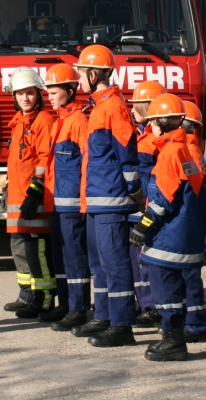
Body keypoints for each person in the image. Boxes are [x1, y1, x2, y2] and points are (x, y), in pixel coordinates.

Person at [128, 94, 206, 361]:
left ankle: (173, 341)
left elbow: (162, 199)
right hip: (183, 233)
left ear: (160, 123)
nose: (149, 126)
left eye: (151, 122)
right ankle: (175, 337)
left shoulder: (170, 152)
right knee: (177, 288)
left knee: (165, 288)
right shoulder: (186, 149)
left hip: (168, 237)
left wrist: (142, 227)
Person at [73, 45, 142, 347]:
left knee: (115, 264)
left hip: (111, 201)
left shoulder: (113, 107)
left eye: (80, 74)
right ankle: (103, 315)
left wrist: (135, 192)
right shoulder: (98, 107)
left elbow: (127, 156)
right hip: (96, 200)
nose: (78, 80)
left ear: (93, 74)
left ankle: (122, 325)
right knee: (99, 264)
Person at [42, 64, 92, 331]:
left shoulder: (78, 122)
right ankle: (65, 303)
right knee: (60, 256)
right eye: (48, 91)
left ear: (71, 91)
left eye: (54, 91)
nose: (49, 96)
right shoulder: (60, 121)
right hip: (59, 203)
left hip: (72, 205)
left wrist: (84, 203)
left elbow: (87, 165)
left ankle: (79, 308)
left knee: (74, 257)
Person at [4, 67, 57, 319]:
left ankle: (44, 298)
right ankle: (27, 294)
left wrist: (35, 192)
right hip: (17, 198)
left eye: (30, 93)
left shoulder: (43, 121)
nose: (25, 98)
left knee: (37, 250)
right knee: (21, 248)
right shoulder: (19, 122)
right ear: (14, 96)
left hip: (33, 198)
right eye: (20, 93)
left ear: (38, 95)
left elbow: (45, 160)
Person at [126, 81, 167, 328]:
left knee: (145, 263)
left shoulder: (155, 141)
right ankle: (143, 304)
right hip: (136, 211)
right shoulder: (141, 136)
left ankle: (151, 307)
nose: (132, 110)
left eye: (136, 105)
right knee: (135, 262)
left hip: (147, 212)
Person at [180, 101, 206, 343]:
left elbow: (198, 193)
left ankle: (195, 325)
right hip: (193, 223)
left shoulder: (188, 153)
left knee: (188, 277)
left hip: (189, 225)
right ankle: (191, 322)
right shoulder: (193, 150)